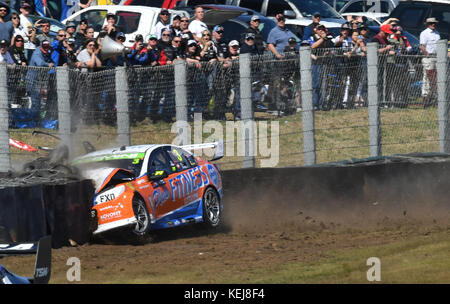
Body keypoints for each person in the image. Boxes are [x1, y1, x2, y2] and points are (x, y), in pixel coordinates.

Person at [309, 24, 334, 110]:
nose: (321, 31)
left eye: (323, 29)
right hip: (315, 64)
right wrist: (322, 39)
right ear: (316, 30)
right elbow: (312, 46)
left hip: (324, 64)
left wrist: (328, 52)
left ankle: (322, 104)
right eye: (319, 29)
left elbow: (332, 49)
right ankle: (315, 104)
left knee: (324, 84)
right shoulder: (312, 37)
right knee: (316, 84)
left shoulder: (327, 39)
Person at [419, 17, 441, 107]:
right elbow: (422, 46)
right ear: (428, 24)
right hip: (429, 57)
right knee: (427, 77)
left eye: (434, 23)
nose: (433, 24)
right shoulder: (424, 33)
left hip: (437, 57)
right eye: (431, 23)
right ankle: (425, 98)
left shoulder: (437, 33)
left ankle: (433, 97)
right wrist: (427, 54)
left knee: (436, 78)